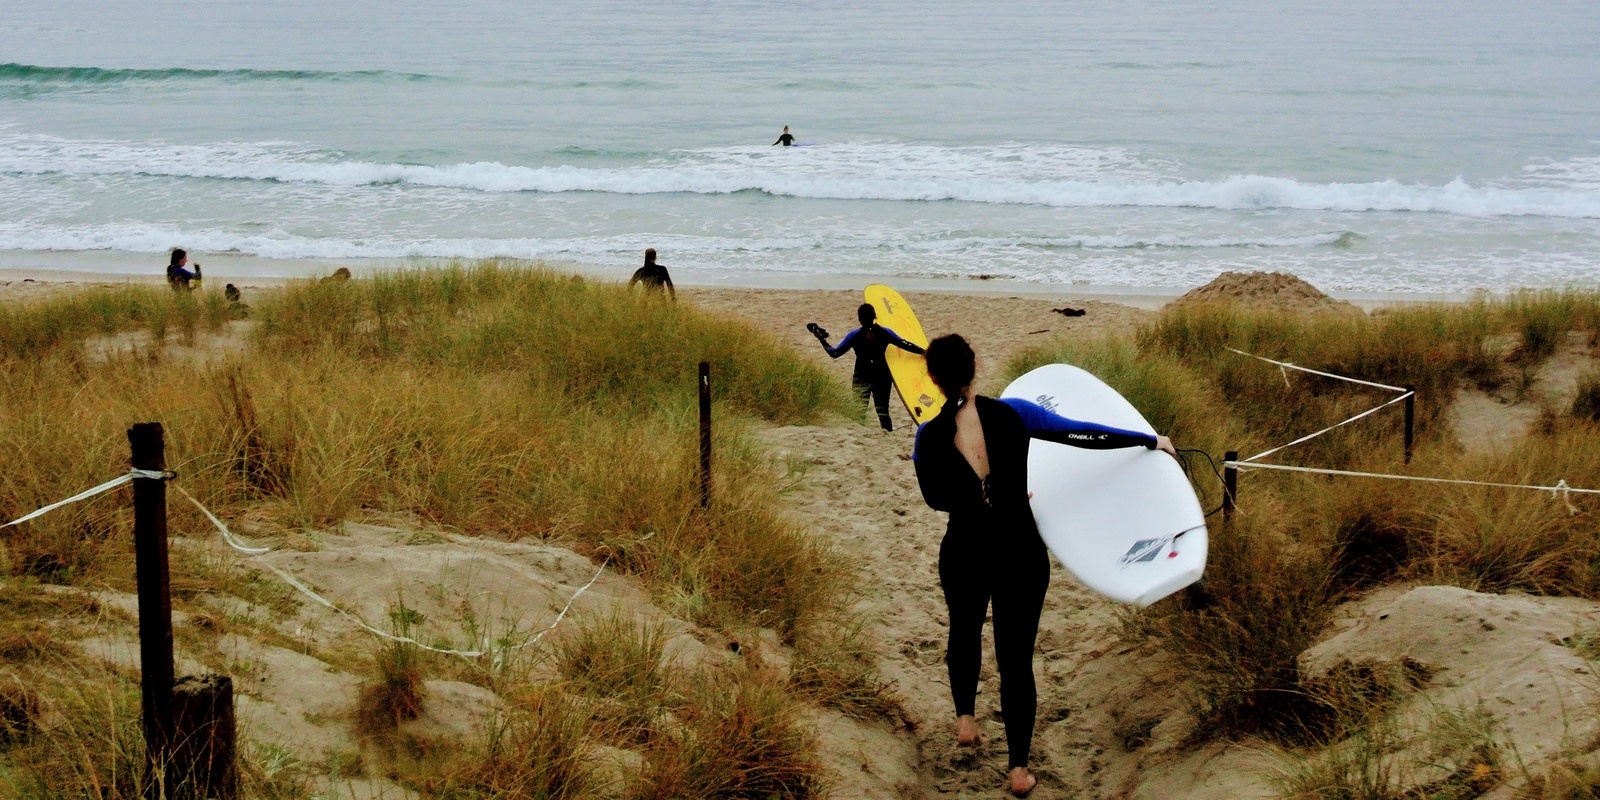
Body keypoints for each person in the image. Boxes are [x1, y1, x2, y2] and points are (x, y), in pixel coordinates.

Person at [911, 334, 1175, 797]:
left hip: (964, 548)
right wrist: (1148, 440)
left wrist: (974, 496)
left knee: (963, 630)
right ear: (975, 364)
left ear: (932, 377)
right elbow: (1079, 433)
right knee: (1016, 660)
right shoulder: (1014, 412)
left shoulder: (927, 436)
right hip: (1019, 550)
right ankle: (1017, 771)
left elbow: (935, 500)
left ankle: (966, 721)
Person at [809, 303, 924, 431]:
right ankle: (887, 434)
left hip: (861, 376)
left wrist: (821, 339)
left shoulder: (854, 335)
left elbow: (834, 353)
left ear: (859, 318)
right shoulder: (885, 333)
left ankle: (859, 434)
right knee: (883, 413)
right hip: (881, 376)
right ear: (875, 316)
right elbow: (905, 344)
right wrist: (924, 352)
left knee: (859, 412)